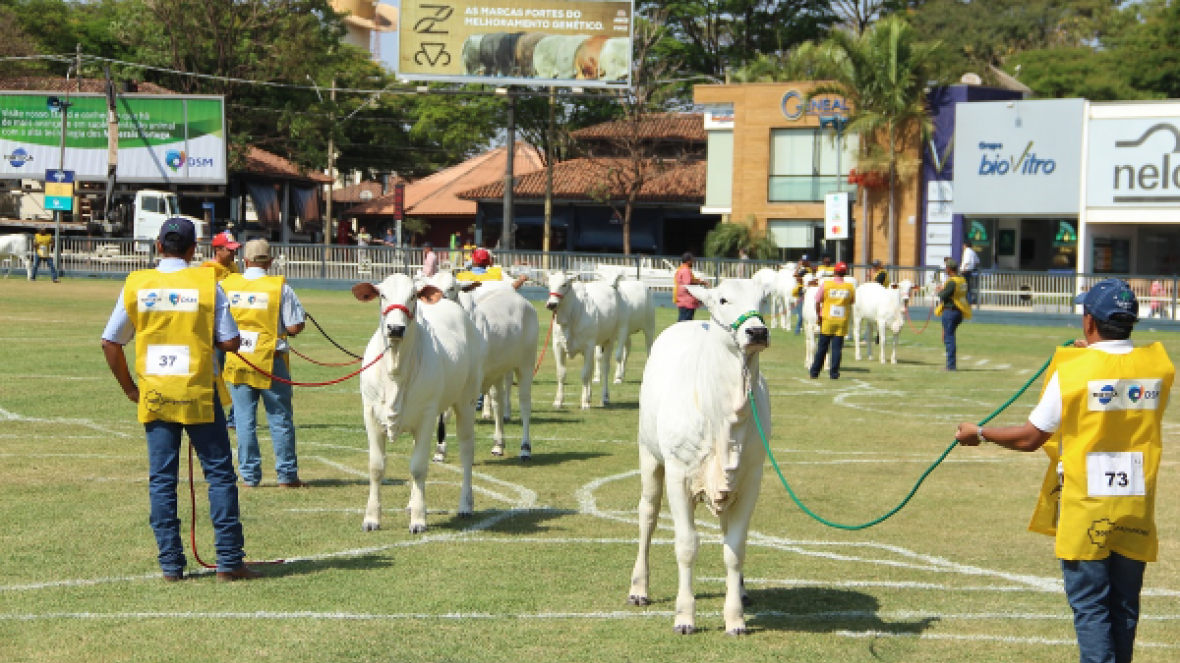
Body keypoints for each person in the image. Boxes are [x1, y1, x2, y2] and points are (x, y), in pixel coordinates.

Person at [954, 279, 1173, 663]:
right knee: (1124, 607)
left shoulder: (1074, 372)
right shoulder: (1159, 366)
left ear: (1089, 322)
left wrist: (981, 433)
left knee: (1090, 606)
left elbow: (1030, 438)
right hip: (1135, 507)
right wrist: (1094, 353)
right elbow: (1120, 368)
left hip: (1087, 508)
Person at [99, 217, 260, 582]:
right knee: (219, 476)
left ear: (158, 246)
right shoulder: (207, 284)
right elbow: (230, 341)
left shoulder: (137, 284)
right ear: (193, 250)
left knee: (162, 480)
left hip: (156, 395)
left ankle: (171, 566)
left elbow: (110, 342)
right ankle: (229, 562)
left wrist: (130, 389)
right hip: (198, 394)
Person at [222, 239, 308, 489]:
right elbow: (294, 327)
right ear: (269, 262)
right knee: (279, 418)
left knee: (244, 420)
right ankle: (287, 476)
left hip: (238, 358)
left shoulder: (227, 285)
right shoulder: (280, 288)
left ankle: (249, 476)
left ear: (245, 261)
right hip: (271, 360)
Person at [810, 261, 855, 380]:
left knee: (822, 348)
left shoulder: (826, 284)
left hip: (827, 320)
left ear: (835, 271)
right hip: (841, 321)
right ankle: (834, 373)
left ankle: (814, 372)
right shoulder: (850, 287)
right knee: (836, 348)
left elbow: (817, 301)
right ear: (845, 273)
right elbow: (852, 301)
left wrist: (819, 315)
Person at [936, 260, 972, 371]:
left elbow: (944, 296)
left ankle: (951, 365)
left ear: (949, 269)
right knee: (949, 336)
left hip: (950, 311)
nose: (945, 270)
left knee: (949, 338)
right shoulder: (962, 280)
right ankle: (950, 364)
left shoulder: (952, 282)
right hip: (959, 311)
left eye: (946, 268)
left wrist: (939, 291)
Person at [674, 252, 708, 322]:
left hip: (683, 299)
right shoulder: (686, 270)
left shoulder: (681, 269)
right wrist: (701, 282)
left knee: (683, 320)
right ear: (688, 261)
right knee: (685, 321)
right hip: (687, 300)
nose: (693, 262)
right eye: (692, 260)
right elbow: (688, 282)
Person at [793, 255, 814, 335]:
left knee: (801, 313)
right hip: (802, 293)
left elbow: (795, 275)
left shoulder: (806, 270)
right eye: (803, 261)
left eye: (804, 261)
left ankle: (797, 329)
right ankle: (800, 329)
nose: (803, 263)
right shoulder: (809, 269)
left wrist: (798, 266)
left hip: (804, 293)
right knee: (801, 313)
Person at [961, 240, 980, 305]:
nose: (962, 246)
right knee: (968, 286)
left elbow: (966, 261)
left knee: (964, 286)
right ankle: (969, 300)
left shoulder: (967, 251)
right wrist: (973, 265)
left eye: (963, 245)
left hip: (965, 271)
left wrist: (963, 269)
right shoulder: (973, 251)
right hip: (970, 270)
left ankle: (967, 301)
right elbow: (977, 261)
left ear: (965, 245)